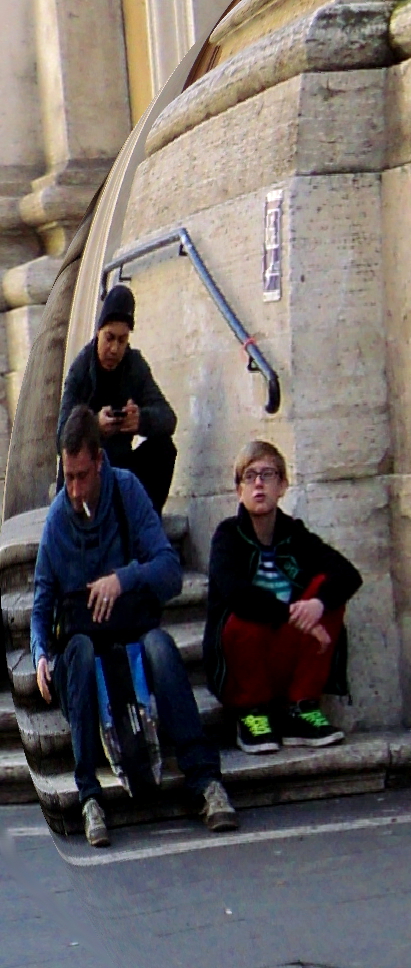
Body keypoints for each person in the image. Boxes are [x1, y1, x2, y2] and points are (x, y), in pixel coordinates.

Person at [30, 405, 235, 845]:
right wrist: (41, 653)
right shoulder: (57, 519)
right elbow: (42, 599)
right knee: (79, 651)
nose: (75, 488)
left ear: (100, 462)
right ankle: (89, 796)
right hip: (83, 654)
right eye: (67, 477)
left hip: (131, 637)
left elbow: (170, 570)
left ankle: (206, 782)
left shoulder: (127, 492)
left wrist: (122, 580)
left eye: (82, 476)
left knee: (161, 645)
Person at [203, 439, 360, 753]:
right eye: (249, 476)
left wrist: (316, 605)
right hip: (241, 658)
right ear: (239, 490)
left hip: (284, 649)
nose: (259, 483)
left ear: (283, 486)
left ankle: (299, 708)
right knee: (246, 616)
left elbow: (348, 574)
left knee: (326, 592)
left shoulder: (294, 534)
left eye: (268, 474)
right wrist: (293, 615)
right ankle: (252, 712)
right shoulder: (228, 535)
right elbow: (237, 594)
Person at [61, 282, 178, 510]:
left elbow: (168, 418)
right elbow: (61, 437)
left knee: (163, 448)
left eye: (122, 340)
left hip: (123, 465)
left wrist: (140, 420)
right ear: (98, 333)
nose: (114, 349)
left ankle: (148, 520)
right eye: (109, 338)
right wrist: (94, 426)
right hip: (90, 469)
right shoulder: (80, 370)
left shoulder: (134, 364)